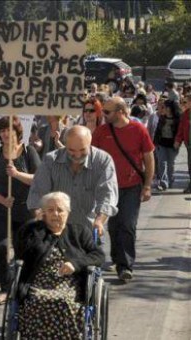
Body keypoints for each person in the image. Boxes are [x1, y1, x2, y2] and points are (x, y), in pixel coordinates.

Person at [16, 192, 105, 339]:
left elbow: (98, 256)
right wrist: (34, 225)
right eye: (50, 210)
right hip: (38, 282)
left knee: (64, 301)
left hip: (69, 283)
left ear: (68, 212)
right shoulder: (35, 231)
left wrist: (75, 264)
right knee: (36, 302)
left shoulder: (79, 232)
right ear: (44, 213)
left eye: (60, 210)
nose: (55, 214)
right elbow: (21, 251)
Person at [92, 96, 155, 282]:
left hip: (131, 186)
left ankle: (125, 265)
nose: (103, 114)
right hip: (107, 188)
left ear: (120, 112)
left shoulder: (138, 130)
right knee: (114, 226)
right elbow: (92, 157)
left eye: (107, 111)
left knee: (127, 224)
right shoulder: (102, 131)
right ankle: (118, 258)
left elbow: (149, 159)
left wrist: (147, 186)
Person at [0, 116, 41, 305]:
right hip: (1, 210)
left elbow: (39, 180)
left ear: (18, 132)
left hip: (26, 211)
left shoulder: (28, 152)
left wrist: (16, 174)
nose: (6, 134)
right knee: (1, 248)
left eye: (10, 130)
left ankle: (24, 287)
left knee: (23, 252)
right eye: (2, 131)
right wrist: (2, 200)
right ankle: (5, 289)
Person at [27, 125, 119, 235]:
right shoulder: (50, 160)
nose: (77, 155)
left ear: (90, 144)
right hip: (56, 230)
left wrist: (100, 220)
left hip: (89, 229)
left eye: (82, 150)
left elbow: (107, 195)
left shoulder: (103, 161)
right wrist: (40, 217)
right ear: (64, 145)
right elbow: (37, 193)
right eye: (71, 150)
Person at [154, 99, 181, 191]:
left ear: (169, 108)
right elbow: (158, 131)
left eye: (164, 107)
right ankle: (164, 182)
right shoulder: (162, 117)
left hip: (173, 144)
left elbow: (180, 132)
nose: (162, 109)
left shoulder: (178, 119)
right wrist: (154, 143)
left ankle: (170, 180)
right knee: (162, 162)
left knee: (170, 163)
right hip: (161, 143)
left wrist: (178, 142)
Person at [174, 93, 191, 193]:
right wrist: (178, 140)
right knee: (190, 165)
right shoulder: (185, 114)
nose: (184, 104)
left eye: (186, 102)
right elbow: (181, 128)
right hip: (189, 144)